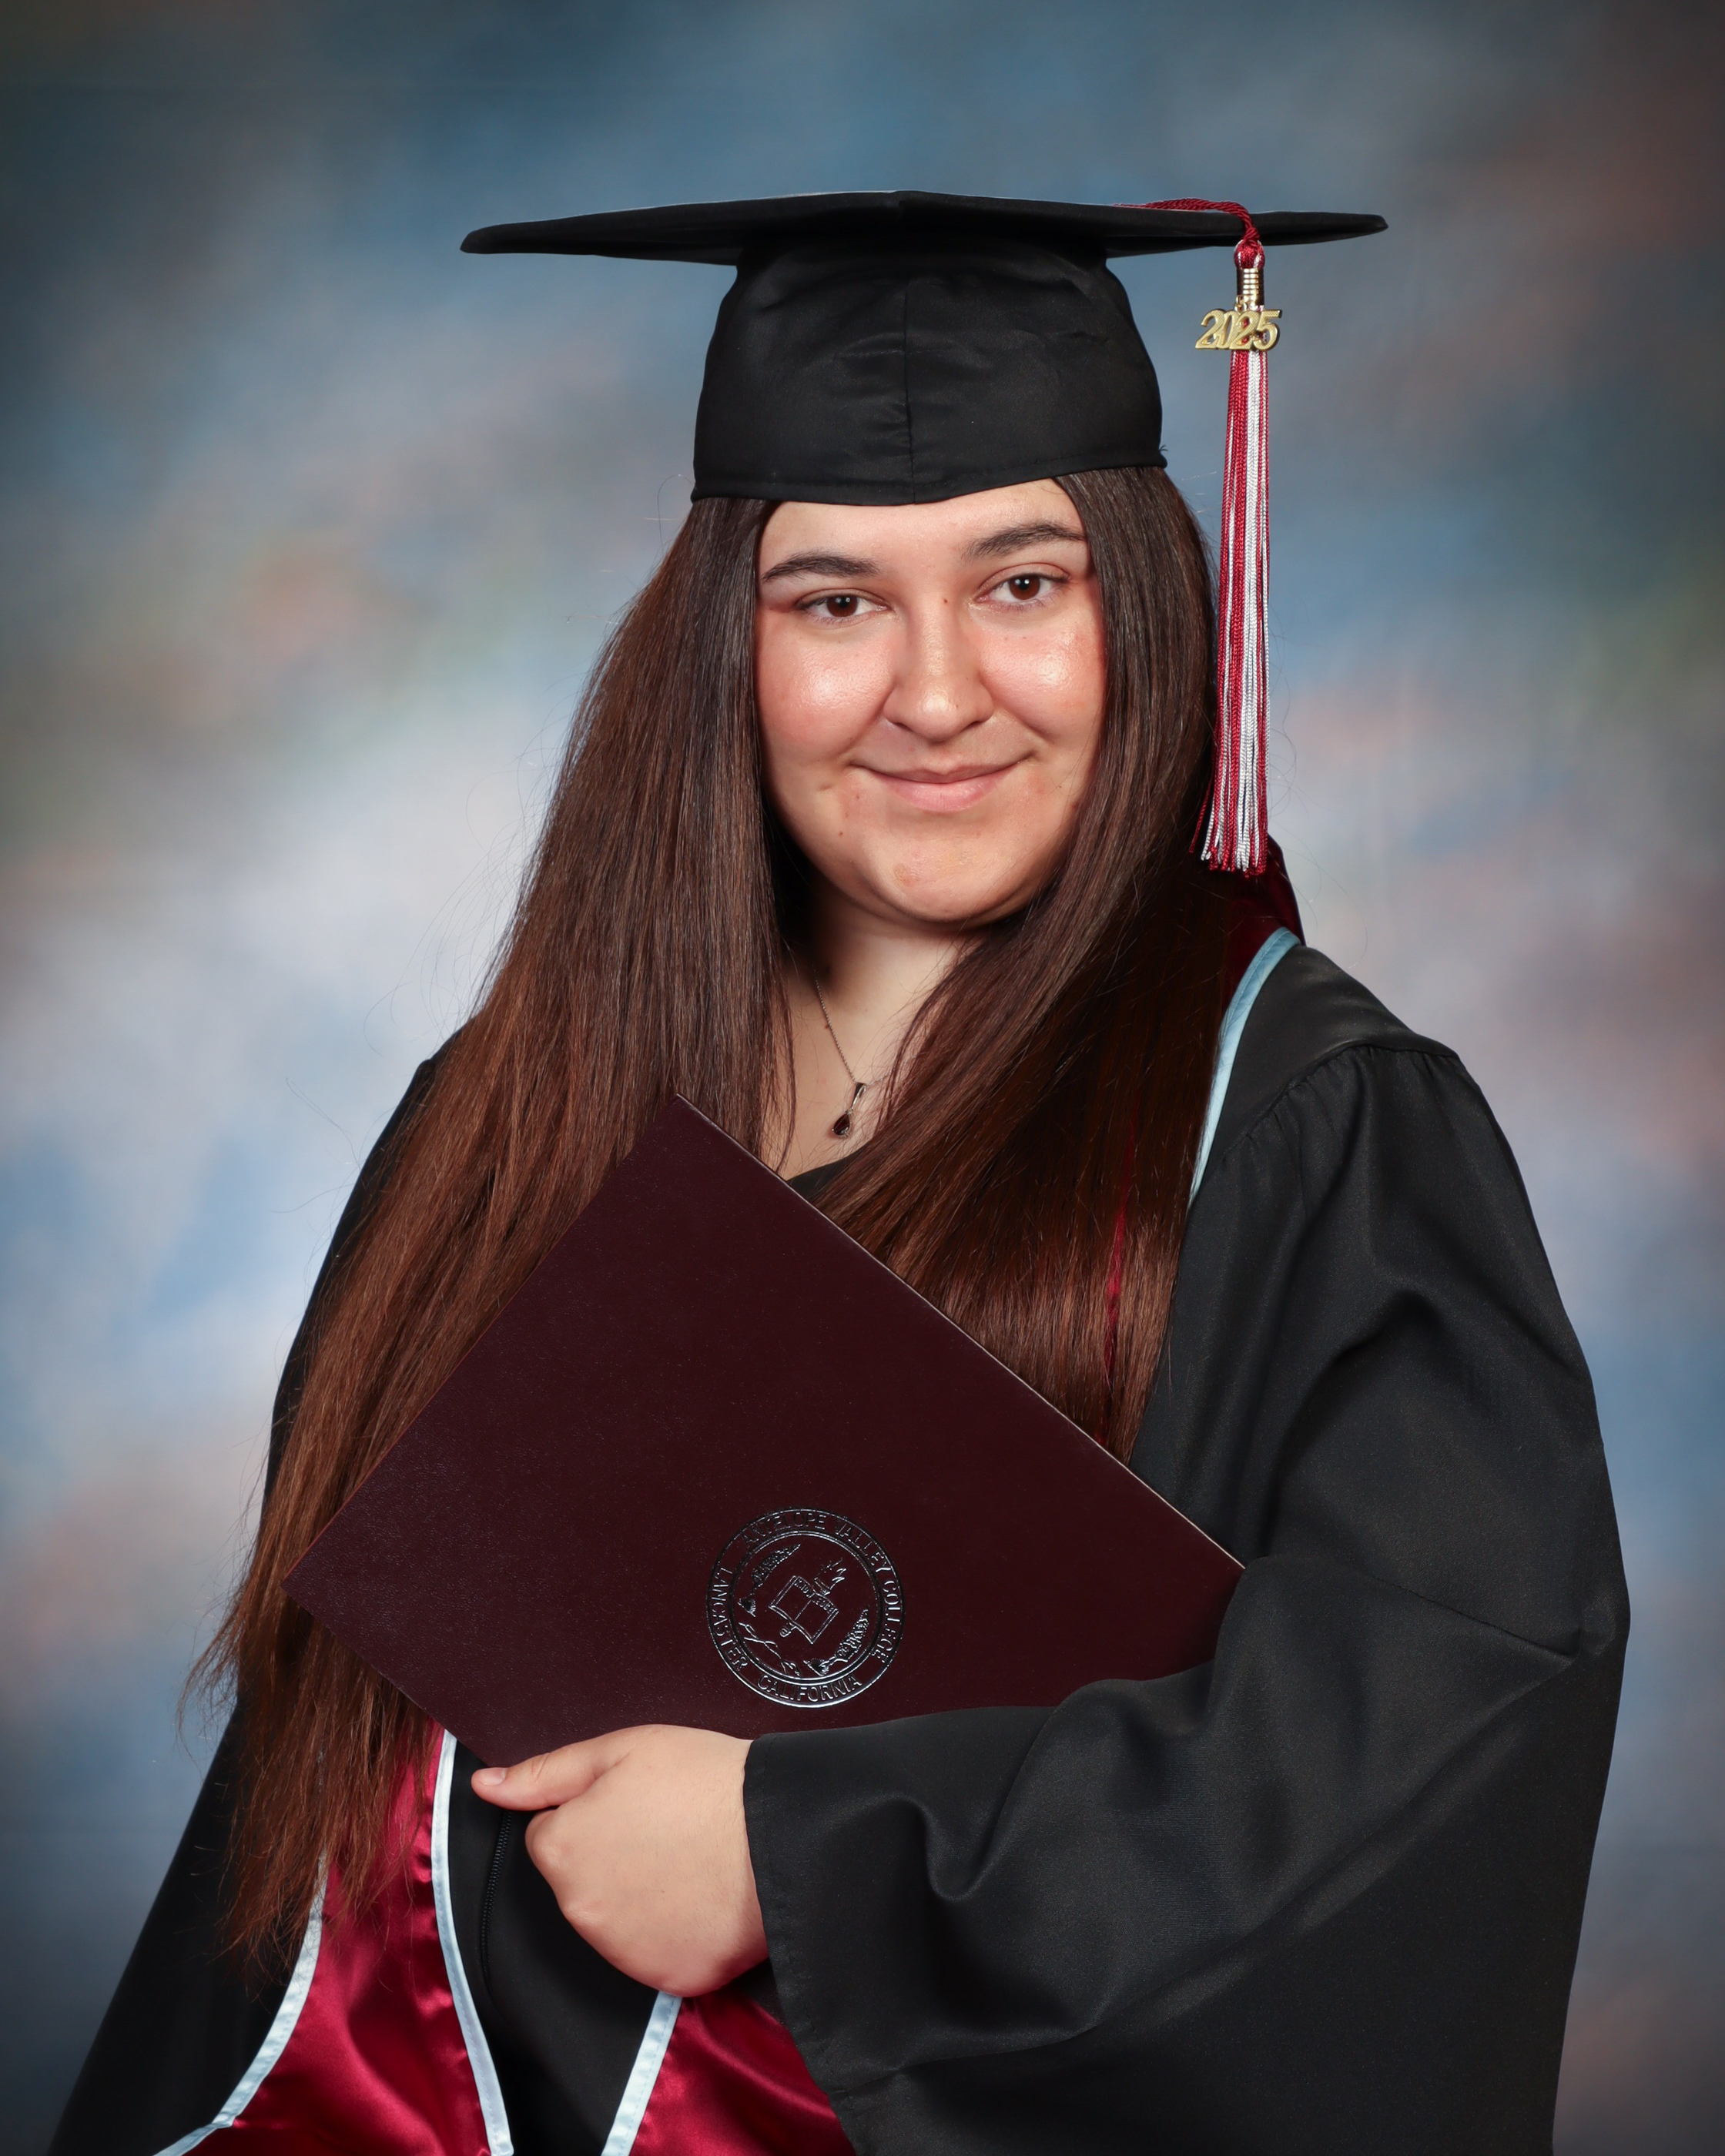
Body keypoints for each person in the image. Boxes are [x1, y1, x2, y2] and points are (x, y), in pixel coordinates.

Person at [52, 194, 1625, 2156]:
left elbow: (1432, 1736)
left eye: (1022, 583)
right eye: (835, 602)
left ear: (1146, 608)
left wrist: (799, 1849)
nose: (936, 691)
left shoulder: (1309, 1116)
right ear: (727, 641)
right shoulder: (510, 1109)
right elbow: (303, 1815)